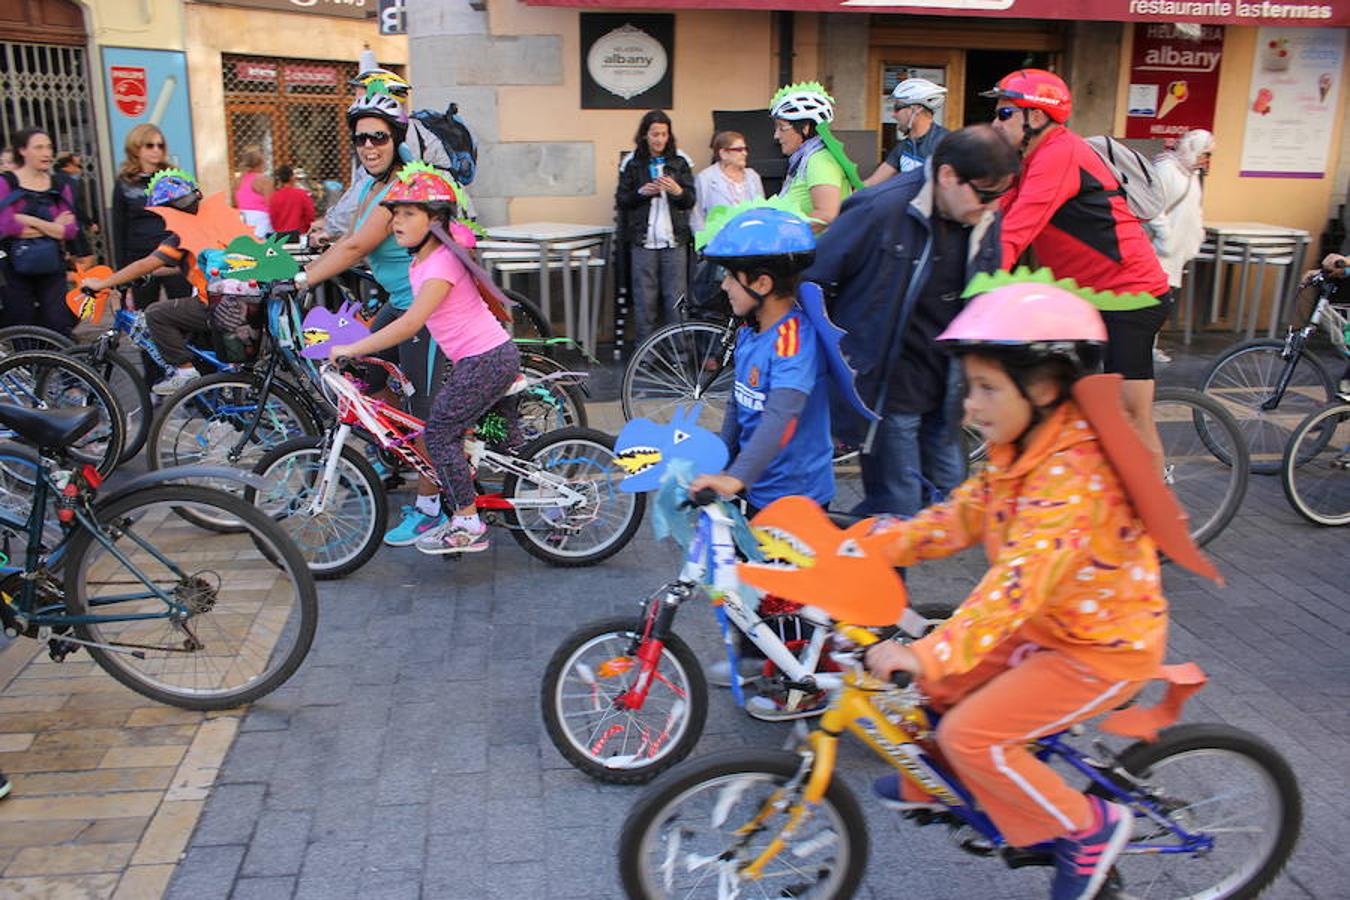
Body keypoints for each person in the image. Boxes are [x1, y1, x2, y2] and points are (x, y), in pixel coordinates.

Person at [861, 280, 1174, 900]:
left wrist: (925, 650)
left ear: (1045, 388)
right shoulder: (1017, 452)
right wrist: (866, 545)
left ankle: (1088, 828)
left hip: (1100, 649)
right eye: (970, 387)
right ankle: (944, 781)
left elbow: (1015, 587)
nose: (970, 406)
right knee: (942, 685)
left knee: (972, 733)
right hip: (1049, 630)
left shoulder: (1073, 478)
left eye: (986, 389)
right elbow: (959, 516)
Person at [806, 126, 1019, 516]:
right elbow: (813, 278)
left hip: (949, 385)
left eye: (998, 197)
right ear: (948, 175)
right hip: (889, 388)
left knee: (951, 502)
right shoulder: (880, 208)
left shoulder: (983, 218)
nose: (991, 207)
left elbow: (985, 295)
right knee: (899, 508)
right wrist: (841, 357)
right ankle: (865, 562)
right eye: (985, 195)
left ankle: (854, 548)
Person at [691, 204, 838, 721]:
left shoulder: (793, 338)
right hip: (759, 489)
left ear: (761, 280)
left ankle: (806, 686)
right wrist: (720, 460)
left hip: (794, 493)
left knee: (787, 597)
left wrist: (734, 478)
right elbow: (737, 405)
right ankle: (760, 656)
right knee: (752, 579)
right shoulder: (752, 331)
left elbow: (781, 417)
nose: (724, 287)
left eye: (730, 277)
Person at [328, 163, 518, 555]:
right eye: (394, 213)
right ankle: (532, 489)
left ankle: (466, 519)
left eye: (408, 213)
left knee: (439, 432)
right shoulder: (421, 262)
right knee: (497, 440)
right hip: (482, 359)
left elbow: (412, 322)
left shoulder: (441, 265)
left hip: (487, 360)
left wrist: (354, 347)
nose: (397, 221)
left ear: (435, 220)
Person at [986, 69, 1172, 469]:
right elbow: (999, 213)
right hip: (1085, 298)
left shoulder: (1059, 154)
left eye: (1003, 114)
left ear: (1035, 117)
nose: (994, 123)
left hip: (1130, 298)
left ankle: (1155, 515)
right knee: (1061, 393)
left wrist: (979, 289)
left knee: (1132, 415)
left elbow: (1017, 232)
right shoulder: (1033, 158)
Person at [296, 92, 454, 547]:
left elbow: (355, 247)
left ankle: (431, 506)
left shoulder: (399, 186)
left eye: (378, 137)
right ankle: (405, 445)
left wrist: (302, 279)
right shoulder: (369, 184)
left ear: (397, 138)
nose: (368, 146)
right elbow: (346, 236)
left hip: (424, 309)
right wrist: (313, 249)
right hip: (396, 302)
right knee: (361, 369)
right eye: (361, 137)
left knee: (428, 416)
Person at [81, 170, 211, 396]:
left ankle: (185, 372)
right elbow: (172, 265)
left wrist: (103, 283)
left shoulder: (182, 235)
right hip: (234, 301)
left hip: (213, 305)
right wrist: (142, 275)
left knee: (156, 313)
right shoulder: (208, 222)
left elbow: (147, 263)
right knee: (198, 344)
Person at [314, 65, 463, 242]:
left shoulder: (402, 136)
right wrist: (330, 222)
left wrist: (331, 227)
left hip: (438, 229)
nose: (355, 103)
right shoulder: (411, 131)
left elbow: (366, 191)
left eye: (361, 97)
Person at [615, 110, 695, 344]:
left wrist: (677, 191)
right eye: (654, 134)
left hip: (674, 240)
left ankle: (679, 355)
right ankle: (646, 356)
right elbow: (622, 200)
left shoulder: (680, 161)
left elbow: (690, 199)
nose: (659, 139)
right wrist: (642, 193)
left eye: (664, 134)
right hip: (643, 241)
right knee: (645, 301)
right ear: (645, 135)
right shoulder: (632, 162)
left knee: (676, 300)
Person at [0, 128, 79, 335]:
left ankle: (60, 364)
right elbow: (8, 226)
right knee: (21, 322)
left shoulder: (60, 184)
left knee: (57, 321)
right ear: (23, 150)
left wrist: (29, 221)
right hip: (14, 266)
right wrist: (53, 226)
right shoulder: (6, 182)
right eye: (39, 147)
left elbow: (70, 230)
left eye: (49, 147)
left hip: (52, 264)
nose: (46, 153)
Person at [1150, 129, 1214, 363]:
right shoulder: (1167, 170)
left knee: (1164, 298)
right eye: (1204, 153)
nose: (1206, 159)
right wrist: (1165, 236)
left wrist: (1197, 234)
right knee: (1155, 300)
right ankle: (1146, 345)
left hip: (1175, 250)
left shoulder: (1190, 174)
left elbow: (1193, 207)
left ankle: (1150, 344)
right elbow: (1154, 206)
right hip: (1160, 250)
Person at [110, 125, 185, 319]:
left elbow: (190, 217)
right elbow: (119, 229)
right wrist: (121, 274)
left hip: (172, 257)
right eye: (149, 145)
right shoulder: (125, 183)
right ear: (136, 148)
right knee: (144, 319)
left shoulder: (174, 178)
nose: (156, 150)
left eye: (160, 145)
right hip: (140, 258)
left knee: (182, 313)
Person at [770, 82, 856, 229]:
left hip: (821, 250)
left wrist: (779, 232)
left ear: (805, 127)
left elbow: (826, 215)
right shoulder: (803, 160)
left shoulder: (819, 160)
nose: (776, 135)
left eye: (782, 128)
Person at [863, 78, 950, 187]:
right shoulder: (904, 147)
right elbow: (871, 183)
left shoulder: (945, 144)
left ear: (916, 109)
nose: (893, 115)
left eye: (897, 108)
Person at [690, 131, 764, 232]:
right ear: (723, 153)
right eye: (739, 150)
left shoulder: (753, 176)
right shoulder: (705, 178)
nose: (745, 153)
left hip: (751, 239)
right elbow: (696, 216)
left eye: (745, 149)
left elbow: (762, 210)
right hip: (718, 242)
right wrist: (705, 243)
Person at [55, 152, 97, 270]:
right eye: (78, 166)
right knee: (87, 257)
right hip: (73, 223)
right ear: (68, 165)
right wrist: (89, 222)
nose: (80, 170)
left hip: (61, 225)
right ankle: (77, 279)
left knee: (73, 255)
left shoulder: (54, 179)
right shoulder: (69, 181)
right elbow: (74, 205)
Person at [234, 146, 273, 238]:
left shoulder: (238, 181)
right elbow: (270, 204)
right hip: (261, 221)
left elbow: (236, 203)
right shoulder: (263, 180)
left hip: (243, 219)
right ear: (261, 162)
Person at [267, 165, 316, 236]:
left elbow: (273, 217)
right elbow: (310, 214)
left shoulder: (275, 196)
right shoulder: (301, 194)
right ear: (292, 177)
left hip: (281, 235)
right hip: (300, 233)